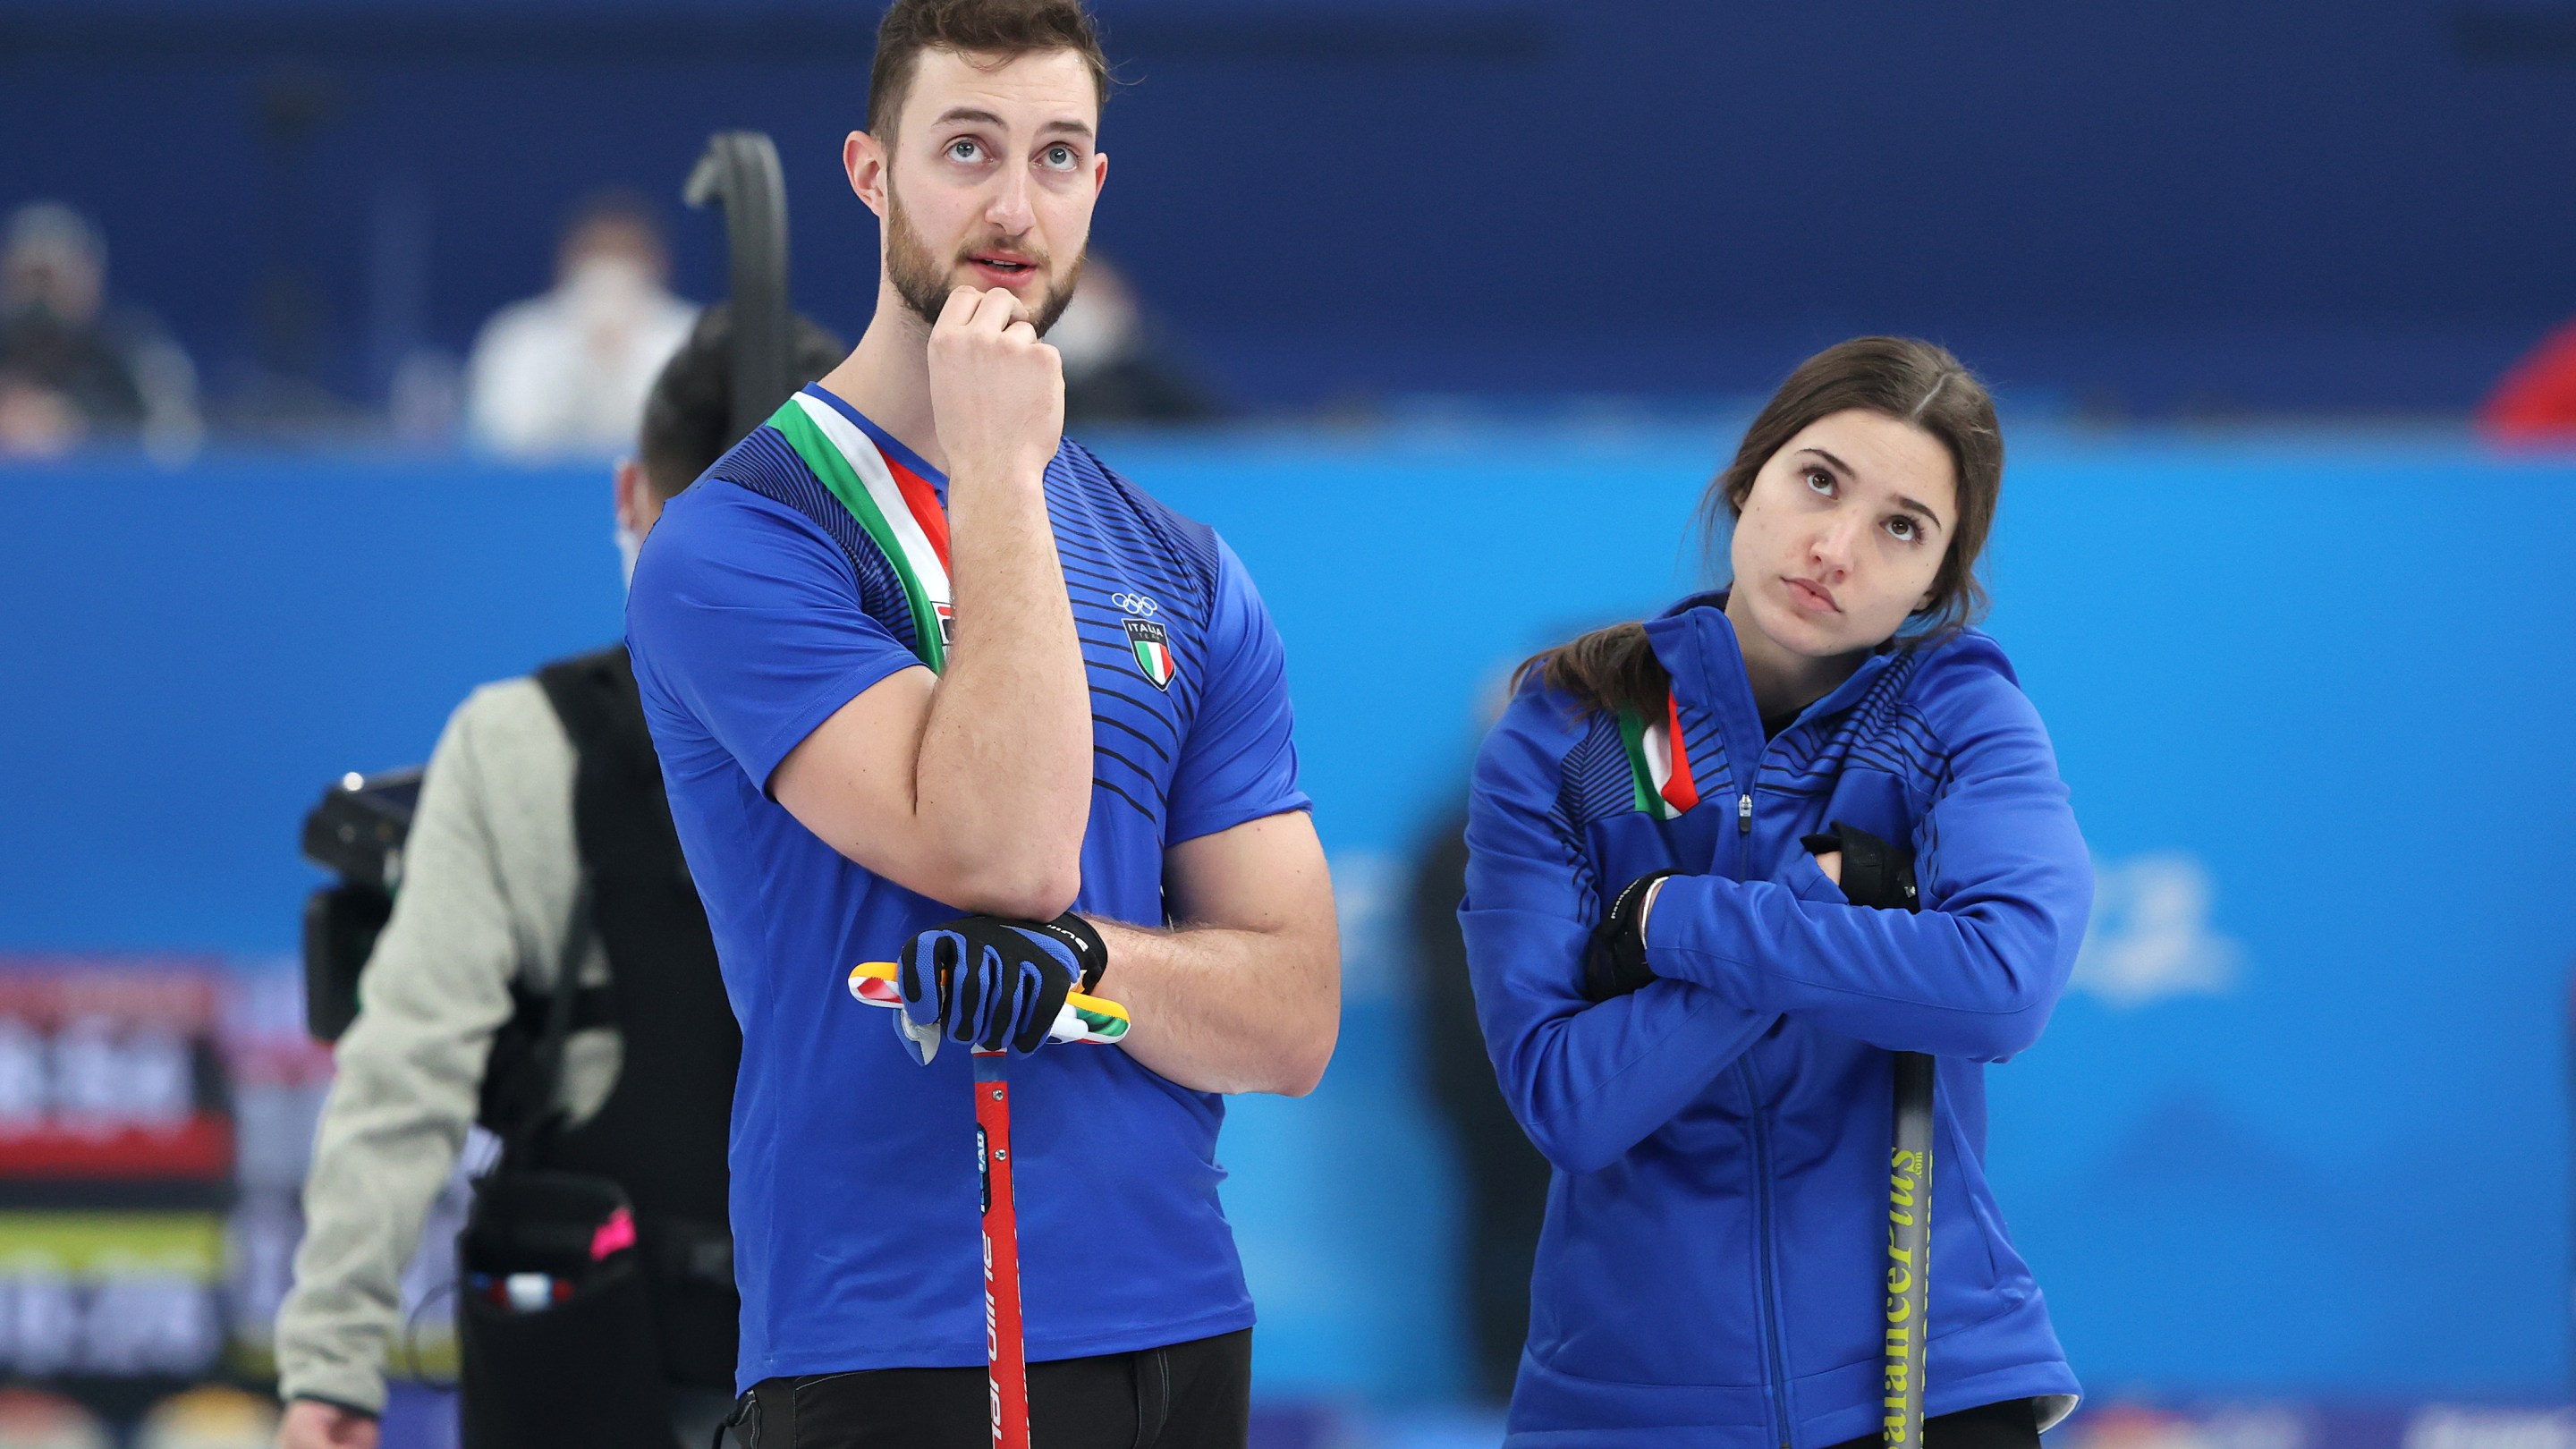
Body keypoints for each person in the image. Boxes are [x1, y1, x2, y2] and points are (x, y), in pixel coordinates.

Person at [622, 3, 1340, 1445]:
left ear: (1097, 183)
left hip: (1186, 1322)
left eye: (1058, 154)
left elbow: (1291, 1015)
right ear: (870, 171)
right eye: (967, 148)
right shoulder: (743, 541)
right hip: (904, 1331)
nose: (1015, 206)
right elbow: (1005, 854)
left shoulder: (1187, 568)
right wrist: (1006, 473)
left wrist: (1097, 966)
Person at [1462, 338, 2090, 1448]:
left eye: (1903, 527)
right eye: (1819, 481)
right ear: (1749, 478)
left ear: (1935, 584)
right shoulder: (1576, 737)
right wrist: (1823, 901)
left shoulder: (1957, 720)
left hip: (1926, 1382)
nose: (1836, 548)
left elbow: (2003, 988)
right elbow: (1571, 1102)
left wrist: (1680, 922)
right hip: (1623, 1408)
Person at [273, 306, 848, 1449]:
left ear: (631, 493)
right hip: (877, 1353)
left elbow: (405, 1067)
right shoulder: (952, 745)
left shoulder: (517, 742)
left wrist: (331, 1366)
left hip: (609, 1351)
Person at [465, 192, 698, 460]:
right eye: (597, 254)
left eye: (626, 255)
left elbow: (702, 439)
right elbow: (497, 436)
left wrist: (626, 360)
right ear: (566, 263)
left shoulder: (693, 333)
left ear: (658, 263)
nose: (610, 274)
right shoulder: (518, 335)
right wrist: (580, 359)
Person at [0, 200, 199, 460]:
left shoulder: (132, 353)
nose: (40, 298)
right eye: (28, 278)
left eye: (50, 279)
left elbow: (176, 435)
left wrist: (77, 422)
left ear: (89, 277)